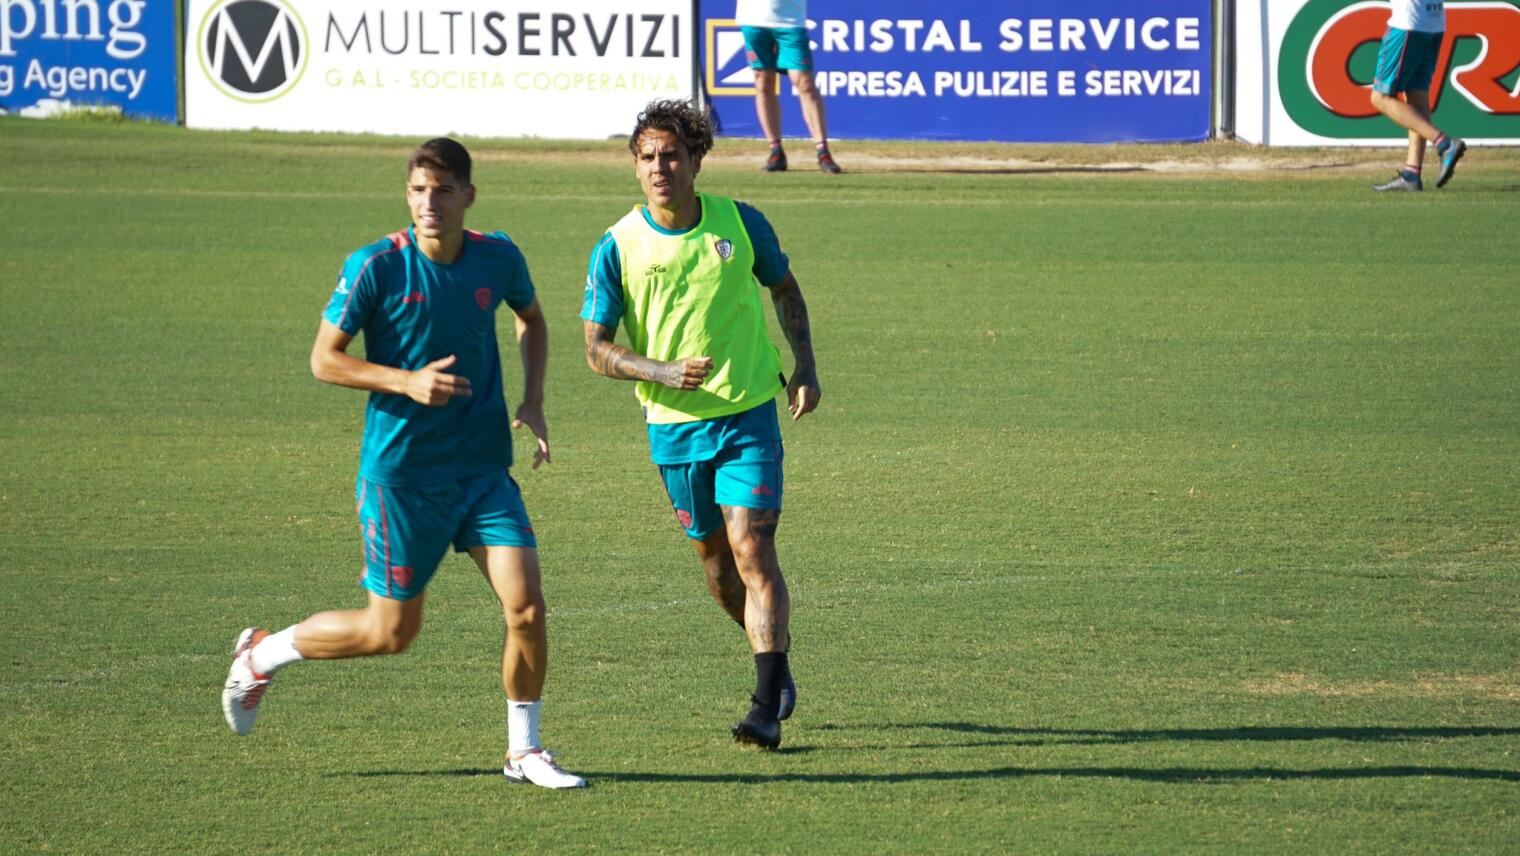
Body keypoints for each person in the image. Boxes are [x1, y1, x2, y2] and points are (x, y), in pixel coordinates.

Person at [220, 138, 585, 789]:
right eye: (418, 190)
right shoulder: (375, 266)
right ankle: (262, 655)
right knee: (390, 632)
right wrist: (405, 382)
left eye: (442, 190)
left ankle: (523, 751)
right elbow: (324, 359)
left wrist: (532, 399)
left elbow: (532, 317)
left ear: (467, 195)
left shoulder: (498, 257)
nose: (428, 203)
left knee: (527, 607)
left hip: (481, 473)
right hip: (402, 480)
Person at [581, 99, 821, 749]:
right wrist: (659, 371)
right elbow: (595, 348)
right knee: (717, 567)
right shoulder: (617, 246)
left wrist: (805, 365)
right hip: (674, 428)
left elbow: (785, 289)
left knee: (753, 550)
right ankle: (776, 661)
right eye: (647, 157)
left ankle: (764, 706)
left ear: (696, 161)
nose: (659, 167)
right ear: (635, 166)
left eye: (671, 156)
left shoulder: (740, 224)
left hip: (747, 412)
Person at [1369, 0, 1466, 191]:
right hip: (1434, 21)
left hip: (1408, 22)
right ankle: (1411, 175)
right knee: (1416, 94)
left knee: (1380, 98)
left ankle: (1444, 144)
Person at [736, 0, 842, 174]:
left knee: (804, 83)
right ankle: (775, 150)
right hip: (753, 18)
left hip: (789, 19)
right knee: (763, 82)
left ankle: (822, 150)